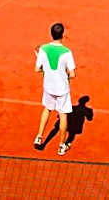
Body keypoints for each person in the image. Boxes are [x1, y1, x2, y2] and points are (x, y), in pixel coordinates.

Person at [34, 22, 77, 156]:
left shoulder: (43, 49)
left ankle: (39, 136)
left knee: (47, 109)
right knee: (63, 115)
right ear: (62, 34)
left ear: (51, 34)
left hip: (48, 86)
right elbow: (72, 74)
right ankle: (61, 146)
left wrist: (45, 66)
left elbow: (37, 69)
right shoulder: (67, 52)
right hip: (62, 88)